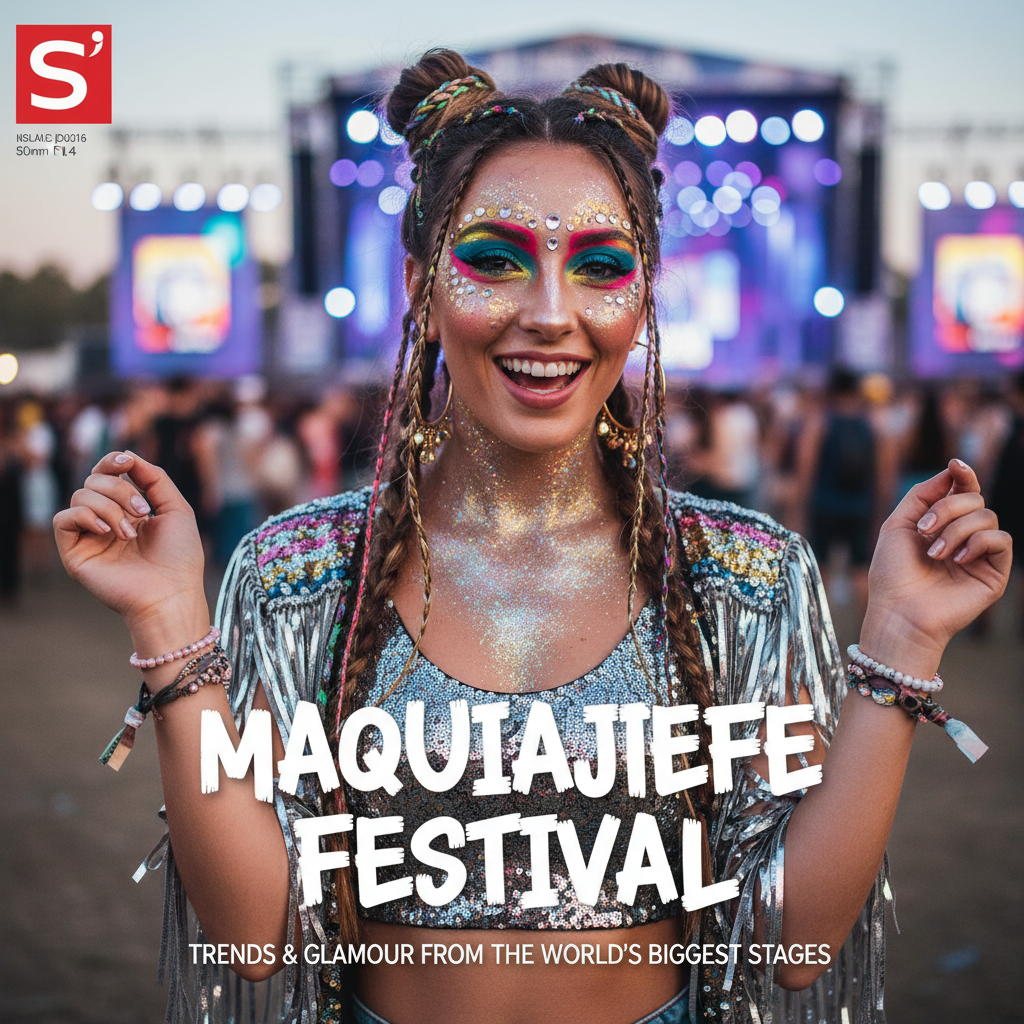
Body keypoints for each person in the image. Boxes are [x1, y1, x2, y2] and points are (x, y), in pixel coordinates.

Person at [54, 52, 1011, 1024]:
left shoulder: (744, 579)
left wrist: (901, 638)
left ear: (641, 299)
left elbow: (789, 943)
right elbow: (256, 941)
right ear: (421, 284)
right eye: (494, 259)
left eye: (600, 265)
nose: (550, 313)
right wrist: (170, 618)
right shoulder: (299, 576)